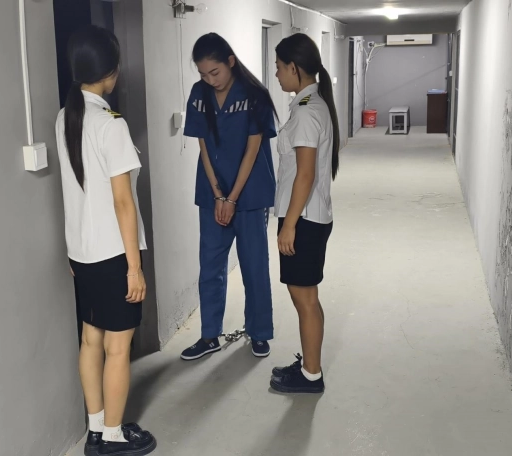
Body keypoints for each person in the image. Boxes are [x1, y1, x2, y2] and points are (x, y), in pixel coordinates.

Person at [55, 26, 156, 456]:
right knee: (118, 348)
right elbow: (123, 203)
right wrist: (134, 268)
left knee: (90, 339)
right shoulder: (110, 124)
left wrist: (75, 251)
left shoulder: (66, 116)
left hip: (83, 253)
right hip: (114, 254)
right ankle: (112, 437)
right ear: (111, 72)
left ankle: (96, 428)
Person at [180, 33, 279, 361]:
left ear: (231, 62)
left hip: (249, 195)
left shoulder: (254, 95)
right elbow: (204, 147)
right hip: (213, 195)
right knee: (210, 266)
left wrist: (233, 198)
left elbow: (253, 149)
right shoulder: (199, 94)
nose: (210, 80)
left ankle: (259, 332)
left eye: (215, 72)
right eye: (203, 74)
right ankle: (209, 335)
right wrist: (218, 195)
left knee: (254, 265)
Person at [269, 33, 340, 394]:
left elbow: (305, 174)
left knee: (305, 299)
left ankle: (311, 375)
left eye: (279, 67)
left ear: (294, 68)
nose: (277, 74)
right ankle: (311, 367)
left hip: (303, 219)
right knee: (308, 297)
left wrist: (289, 226)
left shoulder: (307, 110)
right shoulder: (311, 103)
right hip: (310, 215)